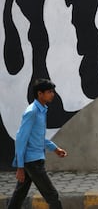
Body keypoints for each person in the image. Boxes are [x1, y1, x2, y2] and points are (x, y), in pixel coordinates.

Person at [8, 79, 67, 209]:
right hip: (32, 162)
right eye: (49, 92)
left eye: (52, 91)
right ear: (40, 94)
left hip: (34, 159)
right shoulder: (32, 112)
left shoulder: (41, 110)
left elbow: (38, 137)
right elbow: (20, 139)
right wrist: (20, 166)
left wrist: (55, 149)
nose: (52, 94)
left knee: (19, 195)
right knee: (52, 195)